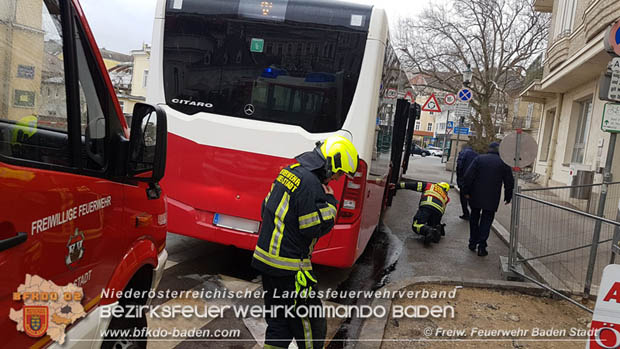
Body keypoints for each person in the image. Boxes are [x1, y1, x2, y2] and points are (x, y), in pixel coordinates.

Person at [251, 135, 359, 349]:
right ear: (330, 164)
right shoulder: (311, 185)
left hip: (266, 264)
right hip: (291, 271)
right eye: (338, 173)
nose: (336, 179)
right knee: (312, 326)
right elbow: (311, 227)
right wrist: (329, 205)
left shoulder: (287, 172)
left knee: (278, 324)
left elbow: (265, 209)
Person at [462, 142, 514, 256]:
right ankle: (482, 246)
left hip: (475, 195)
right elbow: (509, 182)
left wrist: (466, 192)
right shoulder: (503, 163)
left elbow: (468, 176)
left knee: (474, 218)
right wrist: (508, 196)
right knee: (487, 220)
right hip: (492, 197)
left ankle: (472, 242)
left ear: (489, 149)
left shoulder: (479, 159)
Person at [392, 180, 451, 244]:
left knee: (417, 225)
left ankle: (428, 230)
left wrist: (397, 185)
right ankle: (435, 229)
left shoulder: (430, 185)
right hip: (438, 211)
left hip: (427, 206)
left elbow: (414, 185)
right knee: (432, 225)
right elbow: (441, 213)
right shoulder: (446, 197)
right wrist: (438, 224)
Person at [456, 144, 478, 220]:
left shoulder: (462, 153)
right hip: (473, 180)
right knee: (471, 197)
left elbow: (459, 167)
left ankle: (466, 214)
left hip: (464, 179)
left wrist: (459, 181)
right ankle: (474, 214)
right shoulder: (475, 154)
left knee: (463, 198)